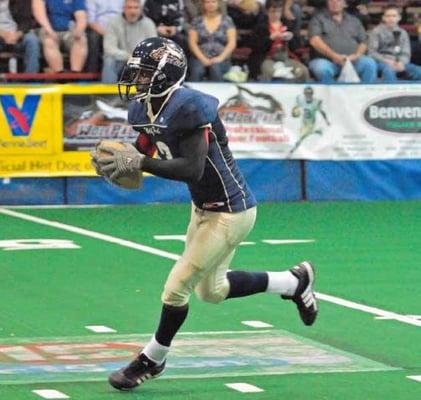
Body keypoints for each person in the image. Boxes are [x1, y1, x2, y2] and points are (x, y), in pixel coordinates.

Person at [91, 36, 318, 391]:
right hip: (203, 208)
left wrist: (142, 162)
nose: (138, 79)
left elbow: (193, 169)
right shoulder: (145, 108)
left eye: (146, 72)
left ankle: (152, 358)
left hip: (231, 210)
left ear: (167, 74)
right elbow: (145, 149)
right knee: (212, 291)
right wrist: (126, 160)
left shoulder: (189, 106)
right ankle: (293, 282)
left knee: (176, 288)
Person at [308, 0, 377, 83]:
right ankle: (331, 95)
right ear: (327, 3)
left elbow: (363, 42)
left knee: (369, 63)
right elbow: (314, 41)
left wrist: (356, 55)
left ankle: (366, 94)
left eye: (338, 1)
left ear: (344, 4)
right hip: (326, 61)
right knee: (321, 68)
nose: (335, 3)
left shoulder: (354, 21)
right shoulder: (317, 19)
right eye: (331, 1)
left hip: (352, 61)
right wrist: (334, 56)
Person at [0, 0, 41, 82]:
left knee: (32, 39)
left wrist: (17, 34)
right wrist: (3, 34)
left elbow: (27, 21)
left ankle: (30, 79)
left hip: (17, 35)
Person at [101, 0, 157, 83]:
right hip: (120, 59)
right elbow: (109, 48)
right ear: (124, 9)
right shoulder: (113, 22)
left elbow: (154, 48)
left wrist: (138, 58)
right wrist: (128, 56)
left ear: (141, 9)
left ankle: (145, 92)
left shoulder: (149, 24)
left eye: (136, 8)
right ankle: (108, 93)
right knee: (109, 60)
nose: (133, 11)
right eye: (129, 8)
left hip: (141, 61)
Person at [256, 0, 309, 81]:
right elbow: (257, 47)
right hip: (267, 58)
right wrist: (270, 38)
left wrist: (291, 38)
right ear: (267, 12)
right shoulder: (261, 26)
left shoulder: (288, 25)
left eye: (278, 11)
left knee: (303, 71)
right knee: (270, 72)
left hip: (286, 58)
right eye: (273, 11)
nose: (276, 14)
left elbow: (296, 47)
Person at [368, 5, 421, 82]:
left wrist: (401, 63)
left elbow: (406, 53)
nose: (391, 19)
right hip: (382, 62)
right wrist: (388, 61)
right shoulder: (376, 32)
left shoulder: (403, 33)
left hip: (401, 63)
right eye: (388, 16)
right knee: (389, 71)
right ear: (383, 18)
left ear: (399, 18)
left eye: (394, 16)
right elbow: (372, 53)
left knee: (419, 71)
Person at [32, 0, 87, 73]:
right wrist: (50, 31)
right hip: (47, 28)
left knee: (81, 39)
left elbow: (81, 16)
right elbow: (39, 13)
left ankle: (75, 75)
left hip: (68, 30)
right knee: (49, 41)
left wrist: (79, 30)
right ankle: (60, 75)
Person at [188, 0, 237, 81]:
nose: (210, 4)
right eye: (207, 2)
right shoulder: (196, 21)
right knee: (197, 71)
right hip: (199, 57)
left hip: (221, 58)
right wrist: (203, 59)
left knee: (216, 69)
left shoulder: (227, 20)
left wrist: (220, 58)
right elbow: (192, 43)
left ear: (218, 4)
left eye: (213, 2)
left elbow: (232, 43)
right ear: (203, 4)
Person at [288, 86, 330, 158]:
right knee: (302, 136)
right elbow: (295, 109)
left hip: (311, 124)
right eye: (306, 93)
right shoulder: (301, 101)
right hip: (304, 123)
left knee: (301, 138)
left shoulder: (316, 102)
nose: (308, 94)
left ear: (312, 94)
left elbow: (322, 112)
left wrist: (327, 121)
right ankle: (317, 131)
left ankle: (291, 151)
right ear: (304, 93)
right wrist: (294, 112)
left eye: (310, 93)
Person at [85, 0, 123, 72]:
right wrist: (107, 33)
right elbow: (90, 21)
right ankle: (92, 72)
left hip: (120, 29)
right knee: (93, 37)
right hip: (99, 30)